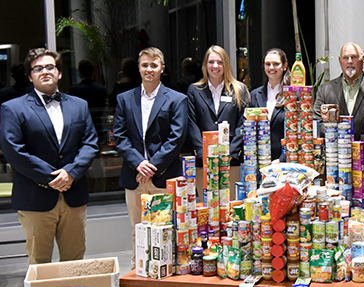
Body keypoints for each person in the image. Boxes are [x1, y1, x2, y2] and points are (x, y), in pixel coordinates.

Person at [0, 48, 98, 264]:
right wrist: (53, 177)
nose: (44, 71)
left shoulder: (79, 105)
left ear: (59, 73)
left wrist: (70, 173)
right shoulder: (13, 109)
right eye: (37, 68)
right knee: (39, 265)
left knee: (74, 263)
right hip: (36, 197)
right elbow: (14, 151)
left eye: (49, 67)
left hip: (74, 196)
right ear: (30, 76)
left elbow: (90, 143)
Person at [113, 47, 188, 267]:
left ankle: (165, 273)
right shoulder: (124, 99)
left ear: (161, 69)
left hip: (163, 177)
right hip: (134, 178)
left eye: (153, 65)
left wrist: (151, 166)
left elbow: (176, 139)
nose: (149, 70)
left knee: (165, 232)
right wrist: (138, 164)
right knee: (138, 231)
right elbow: (120, 136)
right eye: (145, 65)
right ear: (138, 68)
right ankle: (140, 272)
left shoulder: (177, 100)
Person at [187, 45, 249, 190]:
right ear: (205, 65)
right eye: (211, 62)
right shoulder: (194, 91)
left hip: (231, 162)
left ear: (226, 64)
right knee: (209, 209)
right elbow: (191, 123)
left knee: (231, 209)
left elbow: (244, 123)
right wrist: (203, 154)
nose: (215, 66)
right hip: (204, 163)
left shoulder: (240, 90)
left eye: (220, 62)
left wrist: (231, 153)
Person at [313, 42, 364, 141]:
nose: (349, 61)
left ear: (363, 59)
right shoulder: (325, 90)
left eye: (354, 57)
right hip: (334, 152)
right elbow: (317, 123)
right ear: (340, 61)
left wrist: (358, 145)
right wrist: (341, 135)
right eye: (345, 58)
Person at [250, 48, 290, 161]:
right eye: (268, 64)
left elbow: (295, 133)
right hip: (259, 161)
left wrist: (282, 159)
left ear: (284, 66)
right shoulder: (254, 95)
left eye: (276, 64)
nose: (271, 68)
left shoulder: (292, 96)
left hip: (284, 162)